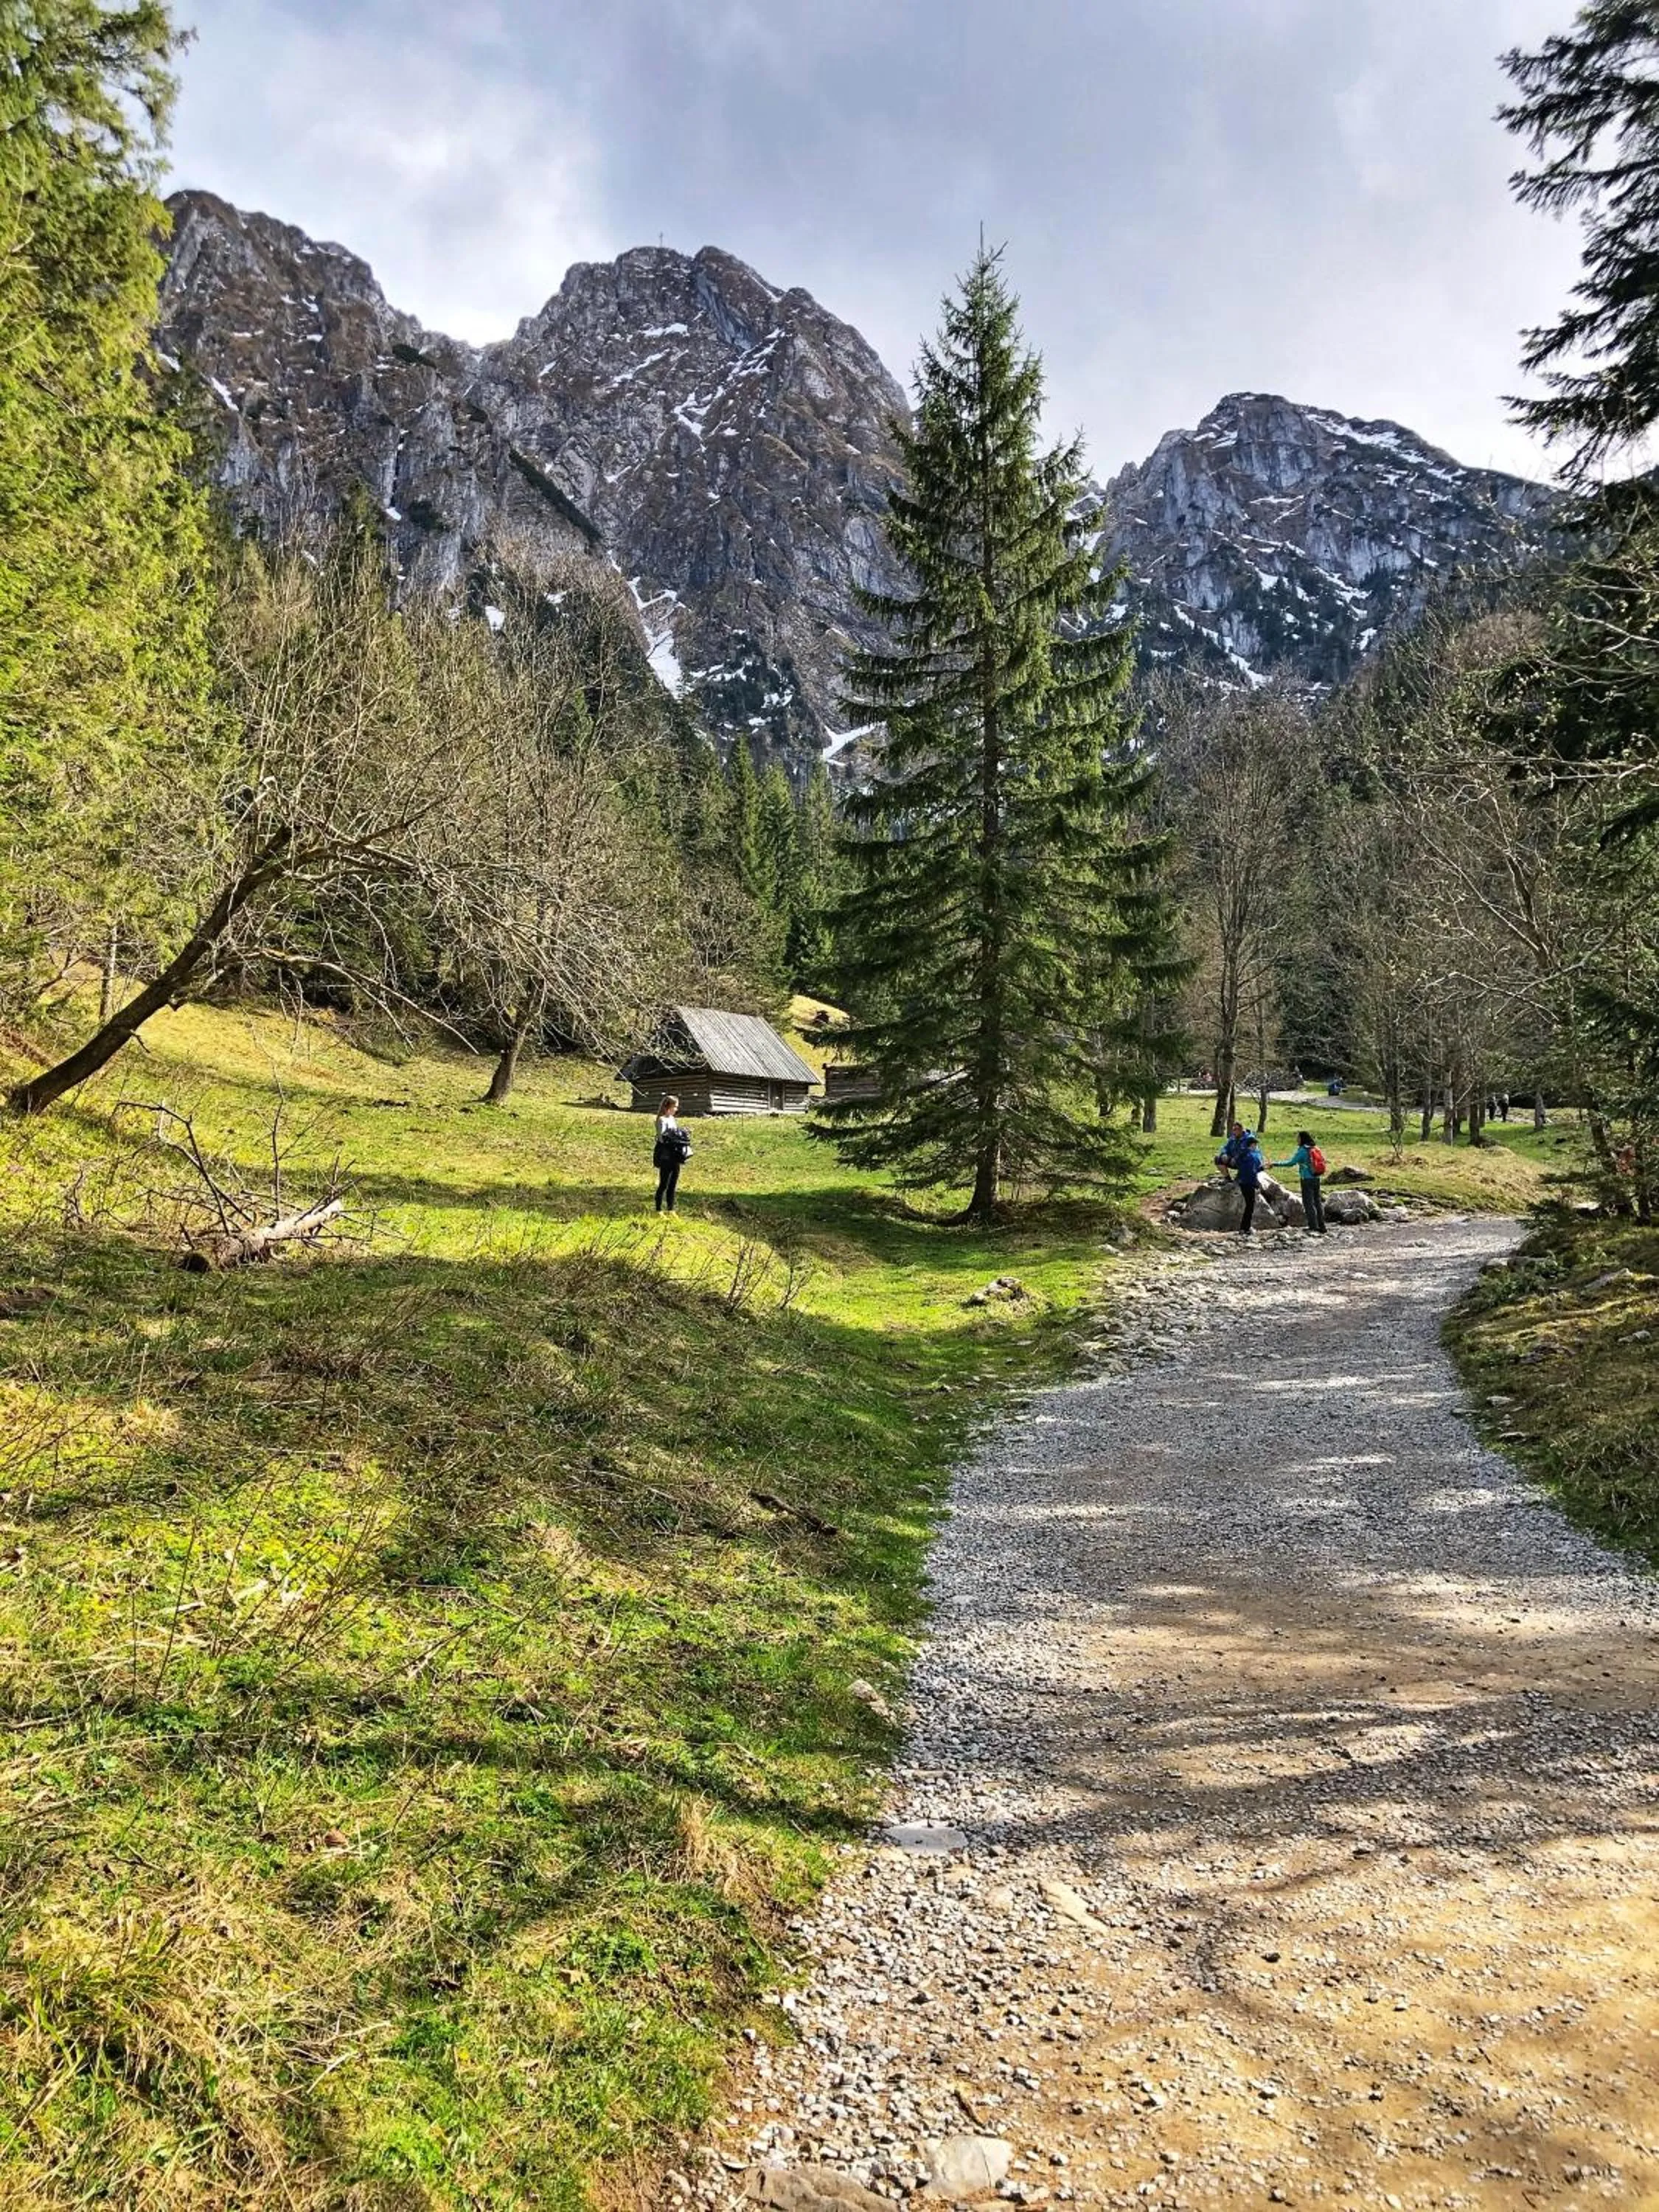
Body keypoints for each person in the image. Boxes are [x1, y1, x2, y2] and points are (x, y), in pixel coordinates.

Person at [1272, 1128, 1328, 1235]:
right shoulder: (1315, 1148)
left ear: (1302, 1139)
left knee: (1308, 1203)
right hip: (1316, 1178)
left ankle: (1313, 1226)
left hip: (1306, 1179)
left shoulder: (1303, 1150)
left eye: (1298, 1138)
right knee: (1317, 1202)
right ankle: (1322, 1226)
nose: (1297, 1140)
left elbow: (1291, 1163)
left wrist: (1275, 1164)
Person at [653, 1093, 690, 1213]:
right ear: (668, 1106)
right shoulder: (661, 1120)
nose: (677, 1109)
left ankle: (670, 1209)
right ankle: (658, 1210)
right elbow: (662, 1138)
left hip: (675, 1153)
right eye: (675, 1106)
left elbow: (674, 1134)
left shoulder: (673, 1119)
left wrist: (683, 1133)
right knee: (664, 1183)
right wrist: (674, 1136)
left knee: (673, 1183)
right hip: (665, 1154)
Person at [1234, 1129, 1267, 1234]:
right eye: (1255, 1145)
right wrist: (1256, 1183)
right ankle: (1246, 1228)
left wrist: (1262, 1168)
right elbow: (1253, 1171)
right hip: (1249, 1183)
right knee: (1250, 1206)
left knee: (1248, 1205)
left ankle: (1244, 1227)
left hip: (1242, 1182)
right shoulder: (1252, 1157)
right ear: (1252, 1145)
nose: (1256, 1147)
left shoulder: (1243, 1155)